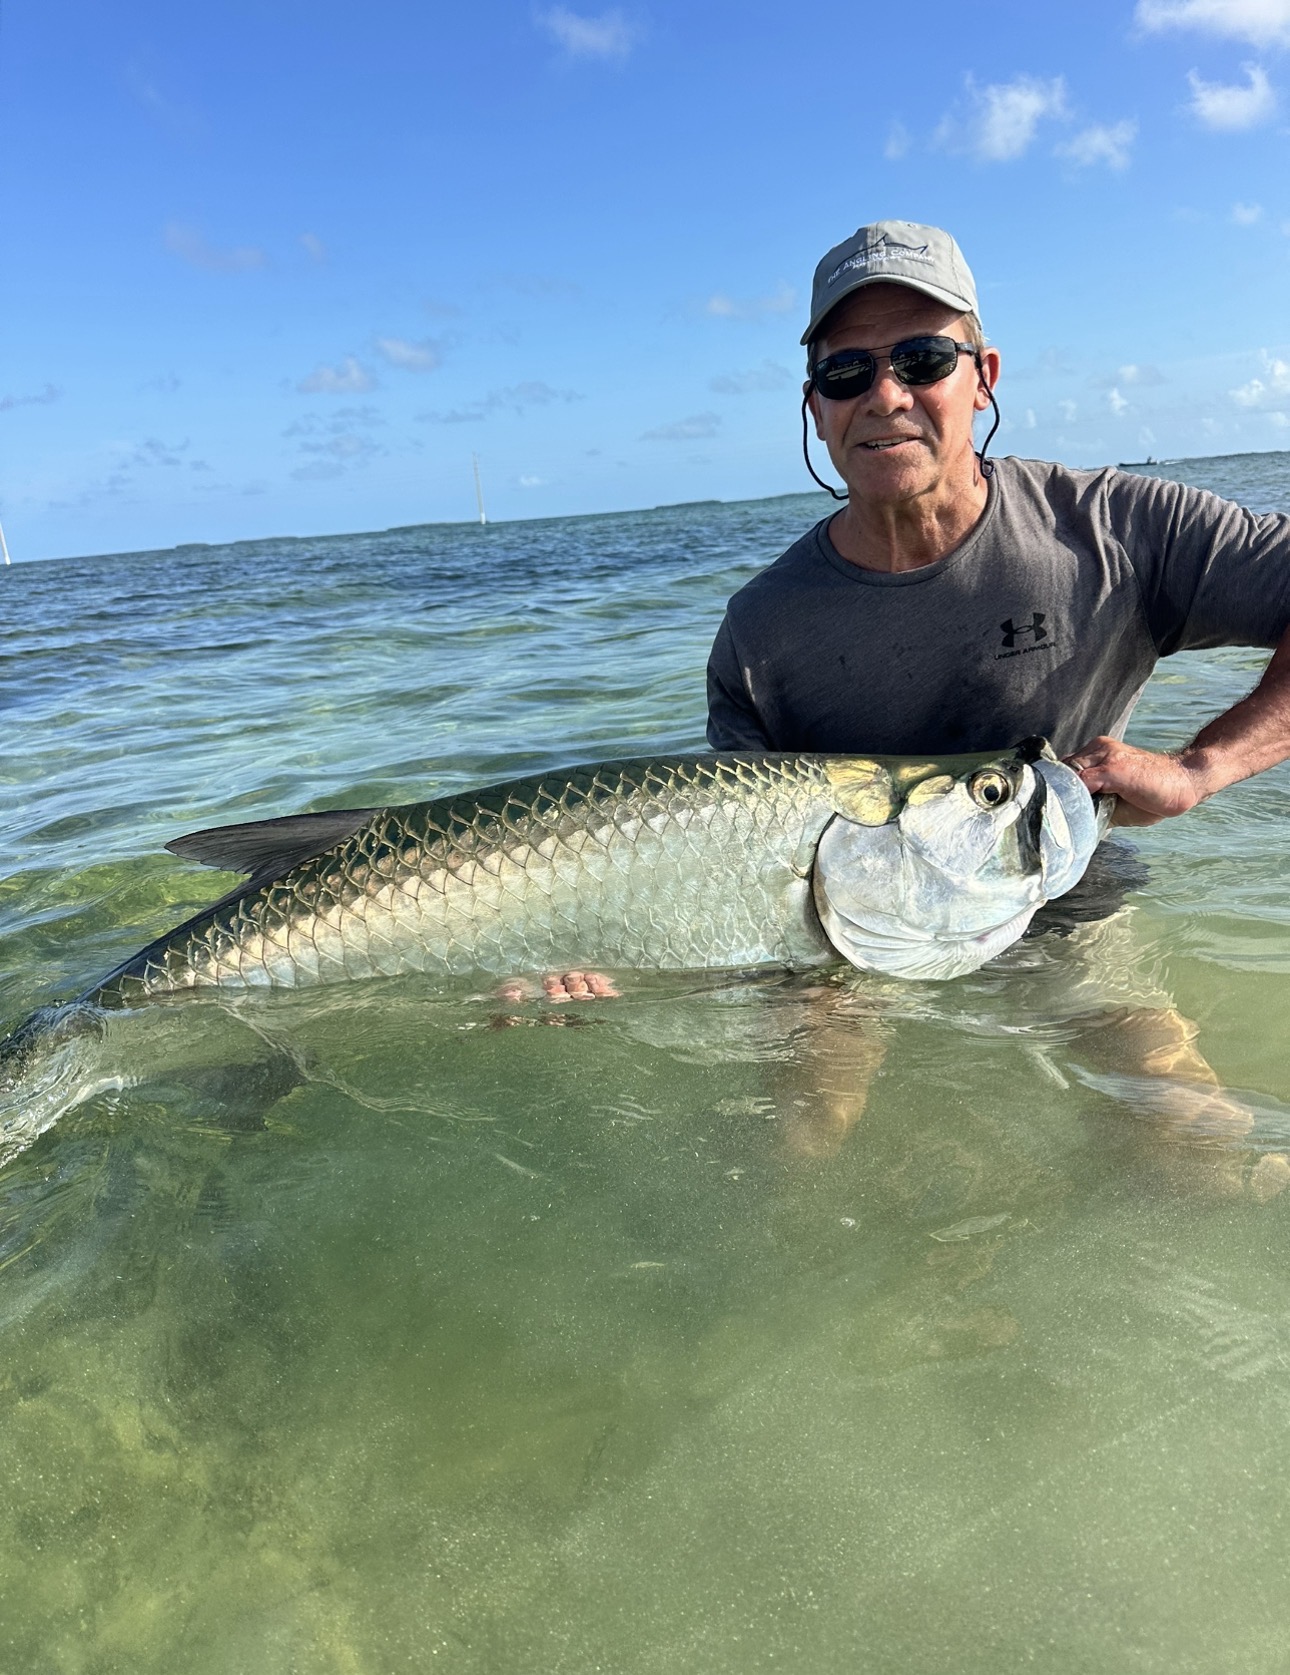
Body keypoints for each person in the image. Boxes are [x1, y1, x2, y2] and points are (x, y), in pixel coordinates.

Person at [706, 219, 1290, 825]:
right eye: (847, 372)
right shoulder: (756, 635)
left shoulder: (1116, 528)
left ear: (983, 378)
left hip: (1080, 916)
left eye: (921, 360)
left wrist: (1201, 768)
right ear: (816, 409)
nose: (885, 396)